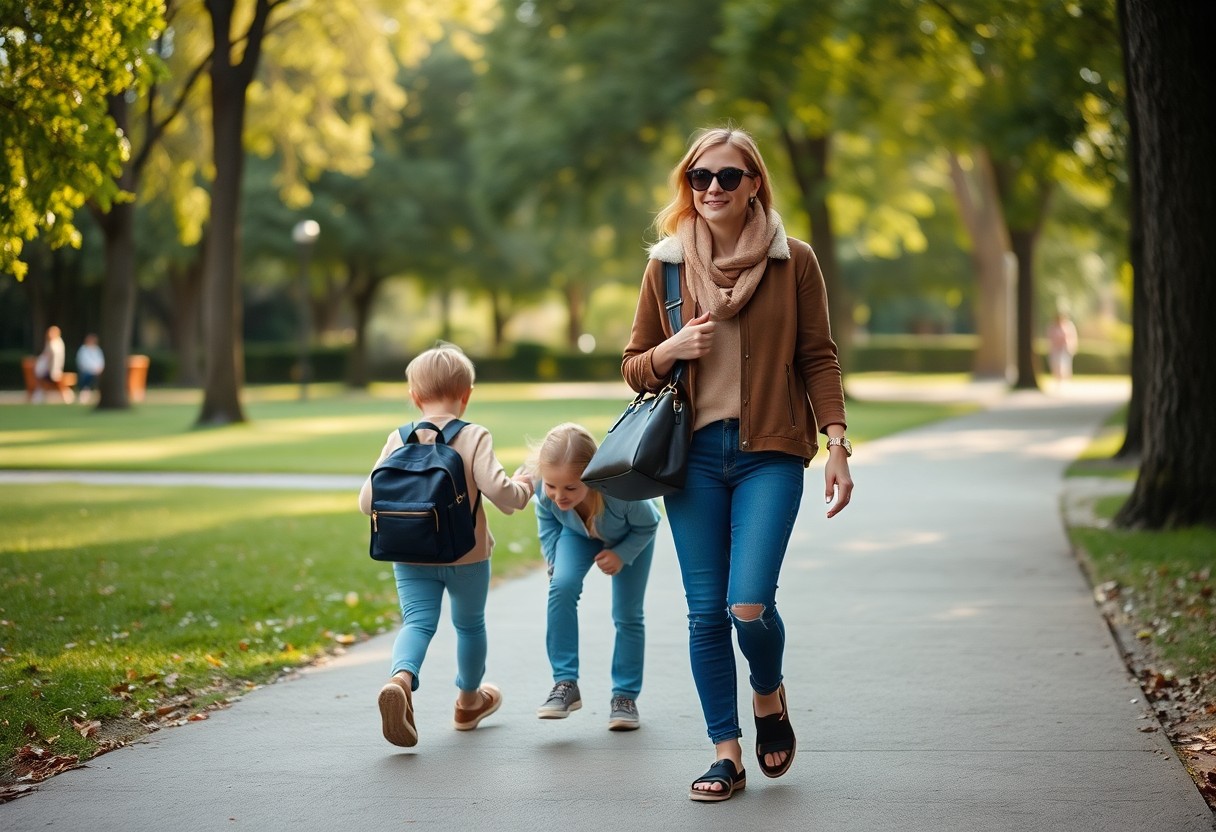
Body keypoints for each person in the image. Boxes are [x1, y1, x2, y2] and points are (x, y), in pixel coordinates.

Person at [621, 125, 854, 802]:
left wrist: (837, 443)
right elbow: (634, 365)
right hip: (691, 459)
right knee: (703, 613)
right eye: (700, 178)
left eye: (727, 176)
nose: (713, 189)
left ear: (754, 182)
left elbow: (819, 355)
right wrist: (671, 351)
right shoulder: (665, 265)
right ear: (687, 187)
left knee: (747, 605)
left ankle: (768, 693)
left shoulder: (794, 260)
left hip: (771, 454)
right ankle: (725, 753)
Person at [358, 342, 535, 748]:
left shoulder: (397, 438)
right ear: (466, 395)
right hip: (466, 554)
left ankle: (400, 679)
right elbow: (504, 497)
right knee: (469, 625)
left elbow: (366, 502)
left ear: (414, 397)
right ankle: (469, 702)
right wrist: (527, 483)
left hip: (407, 552)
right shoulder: (473, 436)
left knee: (418, 622)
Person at [530, 422, 660, 731]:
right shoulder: (545, 488)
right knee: (560, 586)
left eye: (570, 488)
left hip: (630, 536)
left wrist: (621, 554)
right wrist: (553, 558)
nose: (559, 495)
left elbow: (650, 523)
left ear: (591, 475)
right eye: (552, 486)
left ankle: (624, 697)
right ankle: (565, 683)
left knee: (627, 614)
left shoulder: (619, 493)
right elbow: (547, 519)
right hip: (577, 535)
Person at [32, 325, 68, 403]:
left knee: (49, 381)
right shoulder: (52, 343)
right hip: (50, 368)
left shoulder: (55, 344)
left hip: (53, 369)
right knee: (42, 379)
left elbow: (54, 358)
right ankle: (40, 394)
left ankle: (40, 394)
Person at [1046, 310, 1079, 386]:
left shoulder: (1069, 326)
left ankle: (1064, 381)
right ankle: (1058, 380)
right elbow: (1050, 338)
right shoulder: (1053, 326)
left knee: (1064, 365)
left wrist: (1072, 346)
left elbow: (1072, 337)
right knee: (1055, 364)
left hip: (1065, 348)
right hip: (1055, 349)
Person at [75, 334, 105, 404]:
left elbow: (101, 361)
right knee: (87, 376)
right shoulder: (83, 350)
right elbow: (83, 362)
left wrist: (99, 368)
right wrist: (93, 369)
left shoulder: (97, 350)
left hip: (97, 371)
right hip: (87, 371)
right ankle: (85, 392)